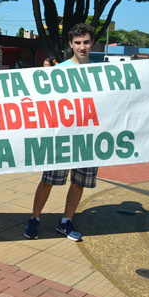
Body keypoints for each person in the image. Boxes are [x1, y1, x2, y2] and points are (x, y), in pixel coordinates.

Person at [24, 23, 97, 242]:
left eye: (86, 42)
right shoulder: (60, 71)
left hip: (88, 136)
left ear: (92, 43)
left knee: (79, 181)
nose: (82, 47)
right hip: (62, 135)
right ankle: (35, 218)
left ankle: (66, 221)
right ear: (71, 44)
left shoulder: (100, 72)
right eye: (78, 43)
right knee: (48, 179)